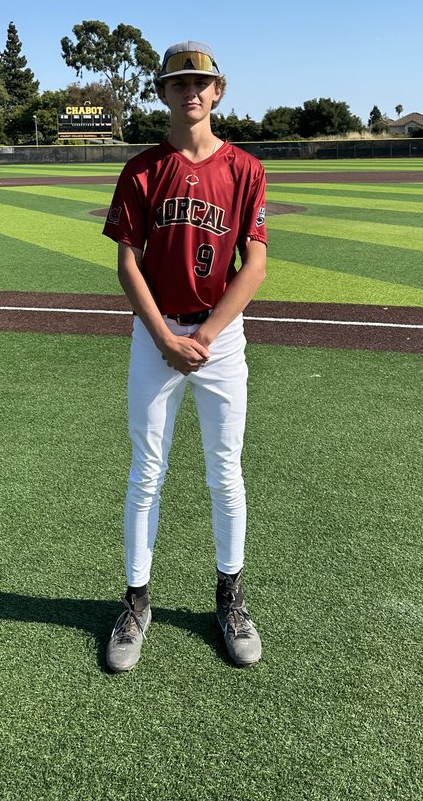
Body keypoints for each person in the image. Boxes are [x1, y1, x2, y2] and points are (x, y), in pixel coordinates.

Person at [101, 40, 268, 671]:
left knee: (225, 471)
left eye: (200, 82)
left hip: (220, 340)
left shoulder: (245, 168)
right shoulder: (142, 169)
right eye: (178, 83)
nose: (190, 91)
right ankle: (136, 601)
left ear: (218, 91)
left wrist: (206, 336)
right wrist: (166, 339)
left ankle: (231, 597)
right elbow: (127, 263)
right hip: (156, 337)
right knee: (147, 472)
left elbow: (254, 264)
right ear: (163, 93)